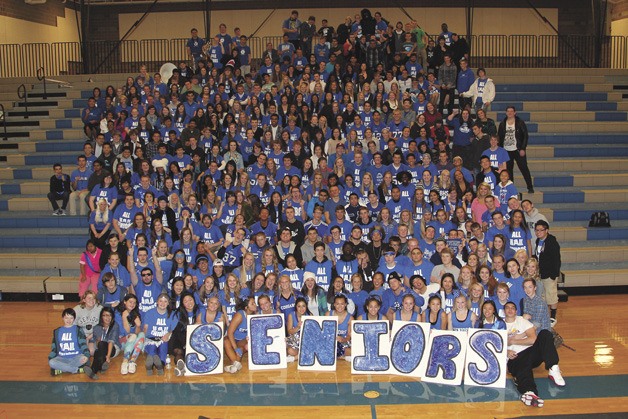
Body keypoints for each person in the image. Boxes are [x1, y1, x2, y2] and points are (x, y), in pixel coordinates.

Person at [504, 301, 565, 408]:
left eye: (512, 308)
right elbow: (496, 345)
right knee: (523, 367)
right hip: (514, 357)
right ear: (504, 311)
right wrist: (506, 352)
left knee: (545, 333)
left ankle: (553, 367)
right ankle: (530, 393)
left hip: (530, 353)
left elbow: (533, 339)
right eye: (507, 308)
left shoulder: (522, 321)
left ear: (516, 311)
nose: (510, 310)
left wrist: (513, 341)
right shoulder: (499, 324)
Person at [498, 106, 534, 193]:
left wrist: (522, 148)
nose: (509, 113)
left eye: (511, 111)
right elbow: (499, 137)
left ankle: (530, 187)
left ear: (515, 112)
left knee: (524, 168)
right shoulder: (502, 123)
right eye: (508, 111)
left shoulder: (520, 122)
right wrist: (501, 150)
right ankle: (511, 189)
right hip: (506, 150)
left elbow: (525, 136)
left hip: (517, 150)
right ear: (506, 113)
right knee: (509, 171)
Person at [534, 220, 561, 325]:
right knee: (543, 296)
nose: (539, 232)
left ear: (547, 230)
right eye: (537, 230)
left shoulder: (552, 242)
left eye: (541, 230)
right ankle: (544, 315)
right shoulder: (538, 241)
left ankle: (553, 317)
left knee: (551, 295)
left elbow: (556, 259)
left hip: (549, 274)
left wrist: (553, 275)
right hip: (540, 274)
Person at [48, 308, 90, 377]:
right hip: (62, 358)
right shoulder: (57, 331)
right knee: (52, 362)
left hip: (76, 357)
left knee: (84, 359)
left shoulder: (78, 329)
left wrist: (86, 355)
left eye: (71, 318)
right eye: (66, 318)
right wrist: (50, 358)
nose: (69, 320)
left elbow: (83, 344)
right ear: (62, 318)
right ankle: (77, 370)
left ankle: (61, 369)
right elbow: (54, 347)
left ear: (74, 319)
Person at [224, 296, 258, 373]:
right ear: (246, 307)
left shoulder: (255, 315)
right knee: (226, 342)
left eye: (254, 303)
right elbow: (230, 332)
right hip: (232, 338)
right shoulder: (239, 315)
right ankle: (235, 364)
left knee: (244, 347)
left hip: (242, 341)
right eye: (252, 304)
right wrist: (235, 348)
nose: (255, 305)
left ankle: (233, 366)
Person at [85, 307, 120, 379]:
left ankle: (94, 369)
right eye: (105, 315)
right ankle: (97, 369)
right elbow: (97, 341)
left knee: (101, 346)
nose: (107, 318)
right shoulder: (97, 327)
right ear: (101, 317)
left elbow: (111, 342)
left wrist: (108, 356)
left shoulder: (115, 326)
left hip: (113, 348)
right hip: (101, 348)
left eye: (109, 315)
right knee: (99, 348)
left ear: (112, 316)